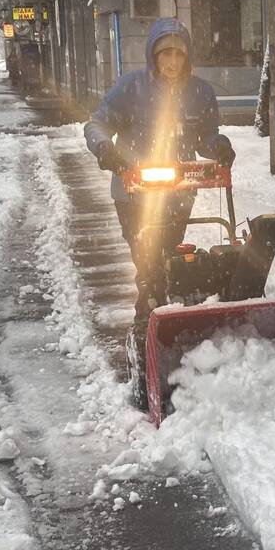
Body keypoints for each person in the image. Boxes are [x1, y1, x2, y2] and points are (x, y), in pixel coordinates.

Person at [84, 17, 235, 325]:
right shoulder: (131, 87)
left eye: (179, 54)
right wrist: (105, 148)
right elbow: (97, 123)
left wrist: (219, 145)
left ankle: (163, 316)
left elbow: (206, 135)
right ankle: (148, 325)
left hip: (179, 192)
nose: (173, 61)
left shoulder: (200, 92)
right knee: (149, 262)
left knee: (168, 260)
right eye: (166, 53)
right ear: (154, 55)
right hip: (133, 193)